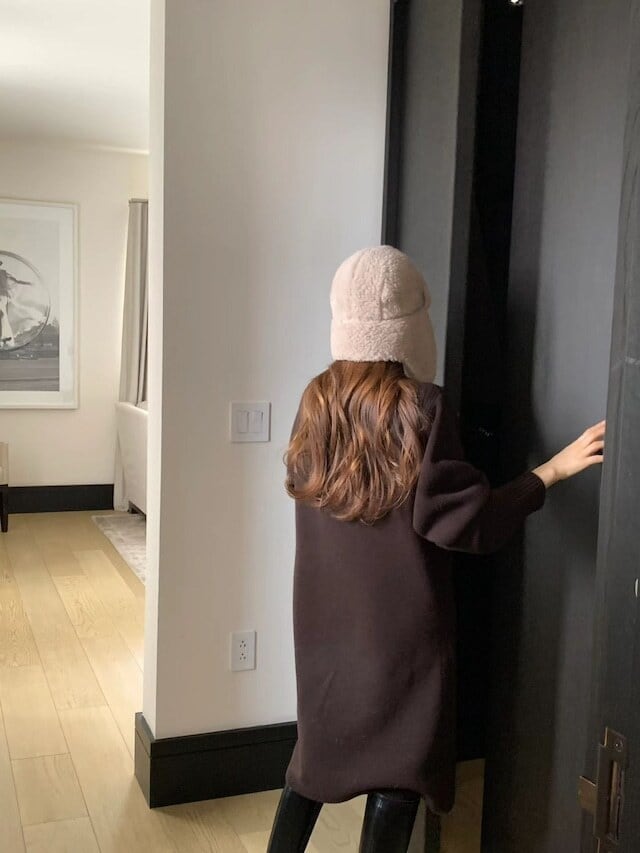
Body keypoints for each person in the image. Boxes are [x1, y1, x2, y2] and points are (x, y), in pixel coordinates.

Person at [266, 246, 605, 853]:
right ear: (409, 322)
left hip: (324, 629)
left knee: (313, 761)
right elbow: (462, 522)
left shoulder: (315, 399)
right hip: (401, 639)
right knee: (398, 775)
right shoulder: (421, 405)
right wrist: (548, 473)